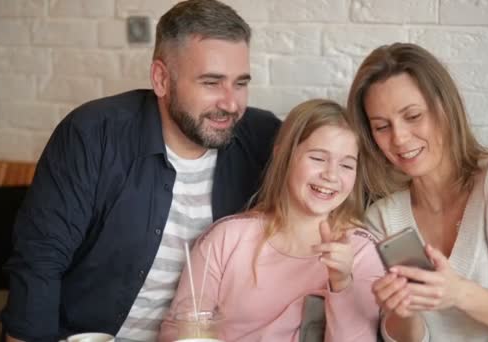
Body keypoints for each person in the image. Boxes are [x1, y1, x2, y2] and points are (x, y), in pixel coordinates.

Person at [0, 1, 281, 341]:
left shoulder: (262, 138)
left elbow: (332, 168)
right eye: (211, 82)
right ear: (161, 79)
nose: (231, 103)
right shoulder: (93, 134)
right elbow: (38, 262)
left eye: (240, 83)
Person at [346, 42, 488, 341]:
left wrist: (458, 293)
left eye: (413, 116)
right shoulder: (382, 219)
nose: (400, 138)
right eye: (381, 126)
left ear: (445, 108)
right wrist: (404, 311)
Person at [158, 99, 384, 342]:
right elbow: (177, 331)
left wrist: (342, 283)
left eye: (347, 165)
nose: (331, 175)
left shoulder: (362, 251)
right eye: (318, 158)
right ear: (282, 154)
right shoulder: (226, 238)